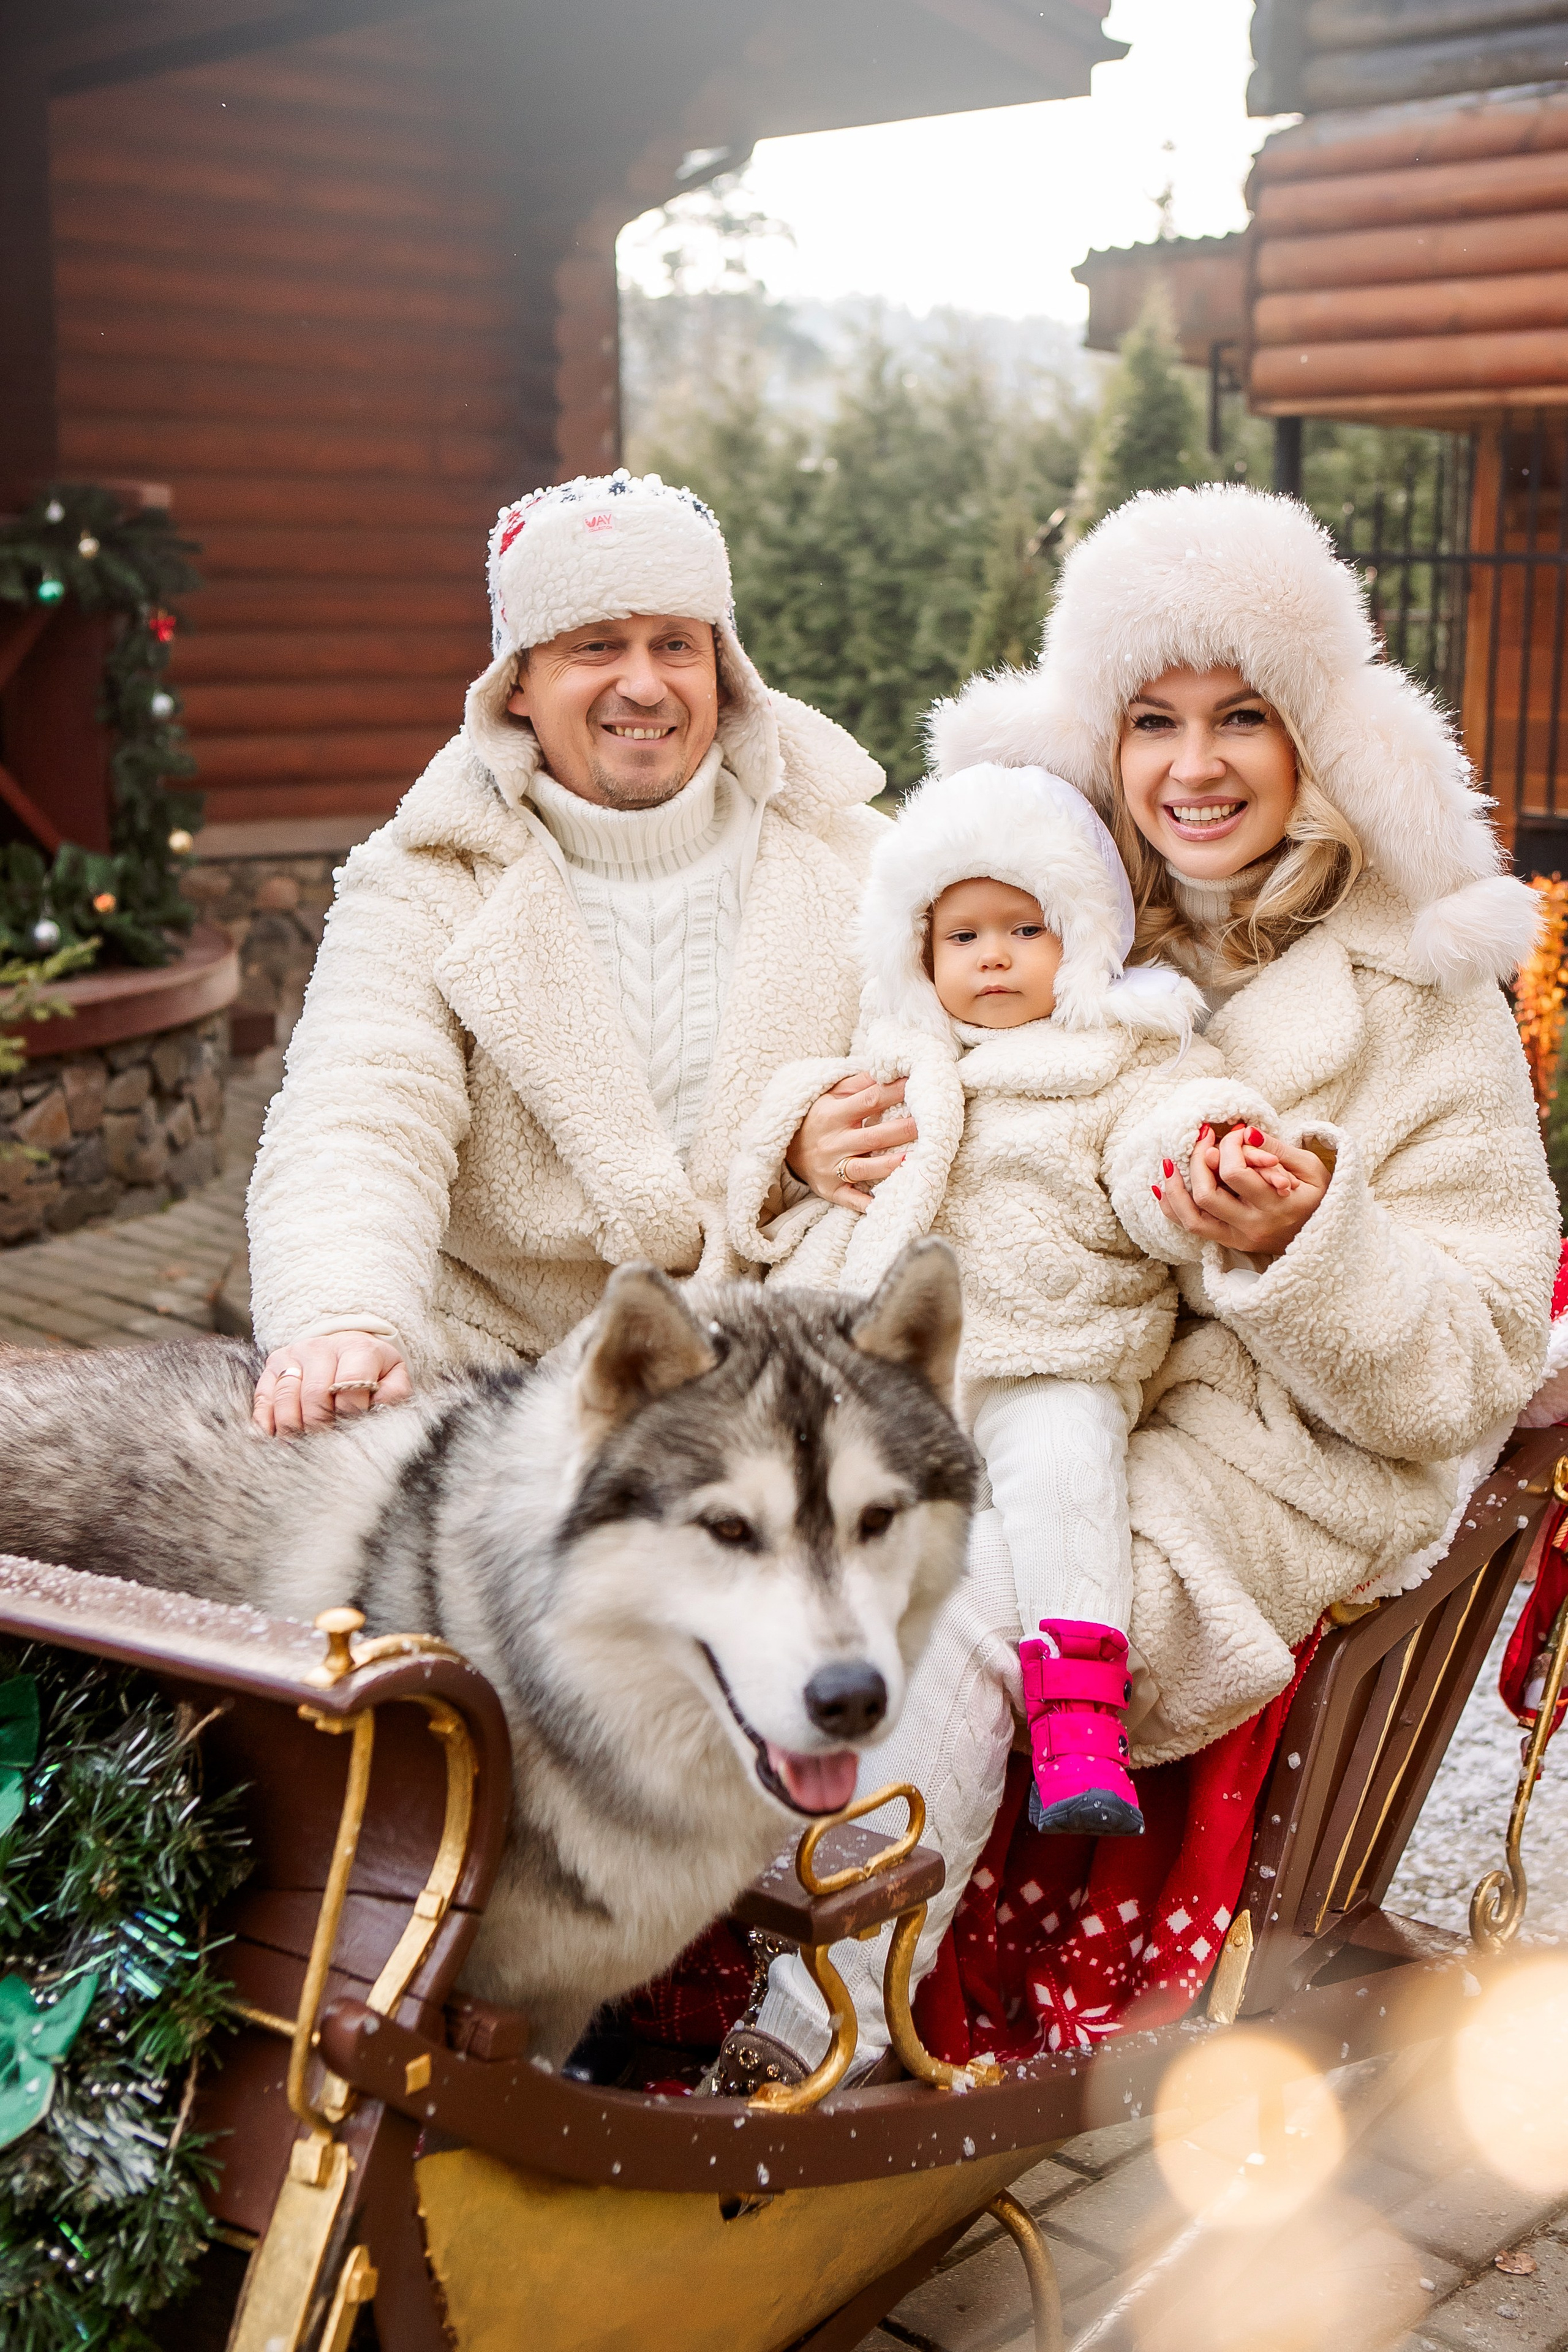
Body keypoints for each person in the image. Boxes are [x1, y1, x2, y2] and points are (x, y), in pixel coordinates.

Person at [741, 481, 1558, 2085]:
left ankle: (819, 2043)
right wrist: (810, 1151)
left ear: (1318, 732)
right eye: (1153, 718)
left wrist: (1304, 1242)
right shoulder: (1040, 908)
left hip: (1278, 1449)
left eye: (1243, 714)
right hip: (1010, 1364)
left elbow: (1474, 1355)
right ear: (1097, 736)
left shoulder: (1414, 982)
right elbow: (891, 1093)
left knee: (966, 1582)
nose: (1195, 767)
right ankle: (630, 1949)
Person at [245, 470, 911, 1432]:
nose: (644, 684)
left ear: (722, 669)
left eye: (675, 645)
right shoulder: (424, 881)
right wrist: (342, 1317)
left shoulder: (859, 861)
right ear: (516, 683)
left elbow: (949, 1076)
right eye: (598, 645)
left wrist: (793, 1156)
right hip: (499, 1375)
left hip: (790, 1367)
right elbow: (360, 1110)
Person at [729, 760, 1281, 1844]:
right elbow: (804, 1153)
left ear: (1083, 941)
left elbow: (1164, 1136)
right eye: (964, 935)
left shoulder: (1124, 1054)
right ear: (919, 955)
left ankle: (1080, 1713)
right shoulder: (899, 1057)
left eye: (1026, 931)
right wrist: (797, 1147)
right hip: (894, 1370)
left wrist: (1199, 1162)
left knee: (1067, 1487)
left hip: (1055, 1347)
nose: (993, 956)